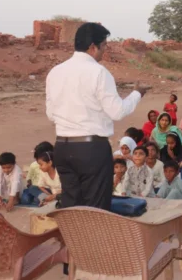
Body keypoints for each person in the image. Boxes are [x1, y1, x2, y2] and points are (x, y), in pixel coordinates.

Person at [46, 22, 147, 212]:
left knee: (71, 207)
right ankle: (92, 233)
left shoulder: (55, 72)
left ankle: (73, 233)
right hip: (91, 149)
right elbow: (117, 111)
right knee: (96, 209)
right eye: (104, 46)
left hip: (62, 147)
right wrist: (137, 94)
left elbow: (51, 115)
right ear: (93, 47)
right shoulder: (99, 72)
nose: (104, 50)